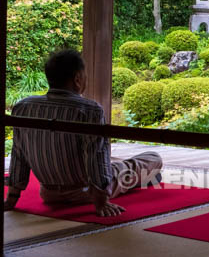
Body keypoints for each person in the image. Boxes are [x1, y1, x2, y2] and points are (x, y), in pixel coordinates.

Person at [3, 49, 162, 217]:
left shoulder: (24, 107)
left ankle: (133, 178)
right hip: (84, 193)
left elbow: (19, 153)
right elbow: (96, 157)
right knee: (152, 158)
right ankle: (136, 179)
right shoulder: (89, 110)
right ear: (77, 79)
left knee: (112, 161)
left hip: (48, 193)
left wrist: (11, 200)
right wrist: (101, 203)